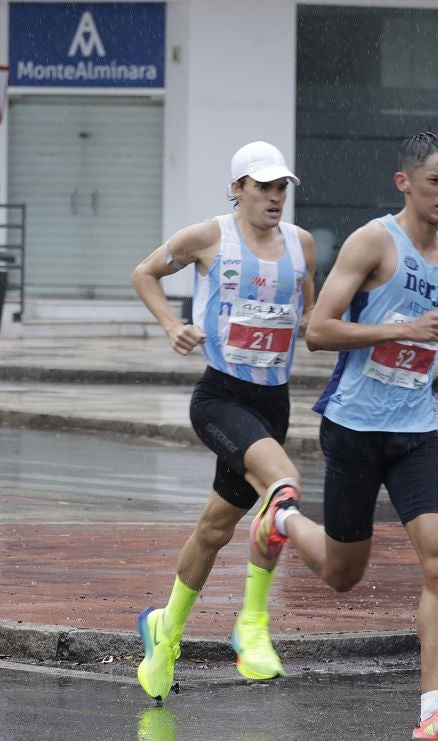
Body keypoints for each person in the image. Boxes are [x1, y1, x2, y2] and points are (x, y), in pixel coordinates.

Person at [269, 132, 438, 741]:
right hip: (353, 426)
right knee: (345, 574)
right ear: (405, 183)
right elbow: (317, 330)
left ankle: (433, 714)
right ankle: (283, 520)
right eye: (435, 181)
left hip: (416, 430)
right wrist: (398, 328)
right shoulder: (373, 242)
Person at [127, 141, 316, 702]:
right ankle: (252, 624)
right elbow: (144, 274)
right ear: (237, 189)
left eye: (282, 187)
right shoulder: (208, 237)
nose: (275, 198)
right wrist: (170, 326)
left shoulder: (302, 246)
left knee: (214, 528)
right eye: (263, 187)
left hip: (272, 402)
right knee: (283, 491)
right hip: (219, 398)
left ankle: (165, 629)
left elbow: (309, 310)